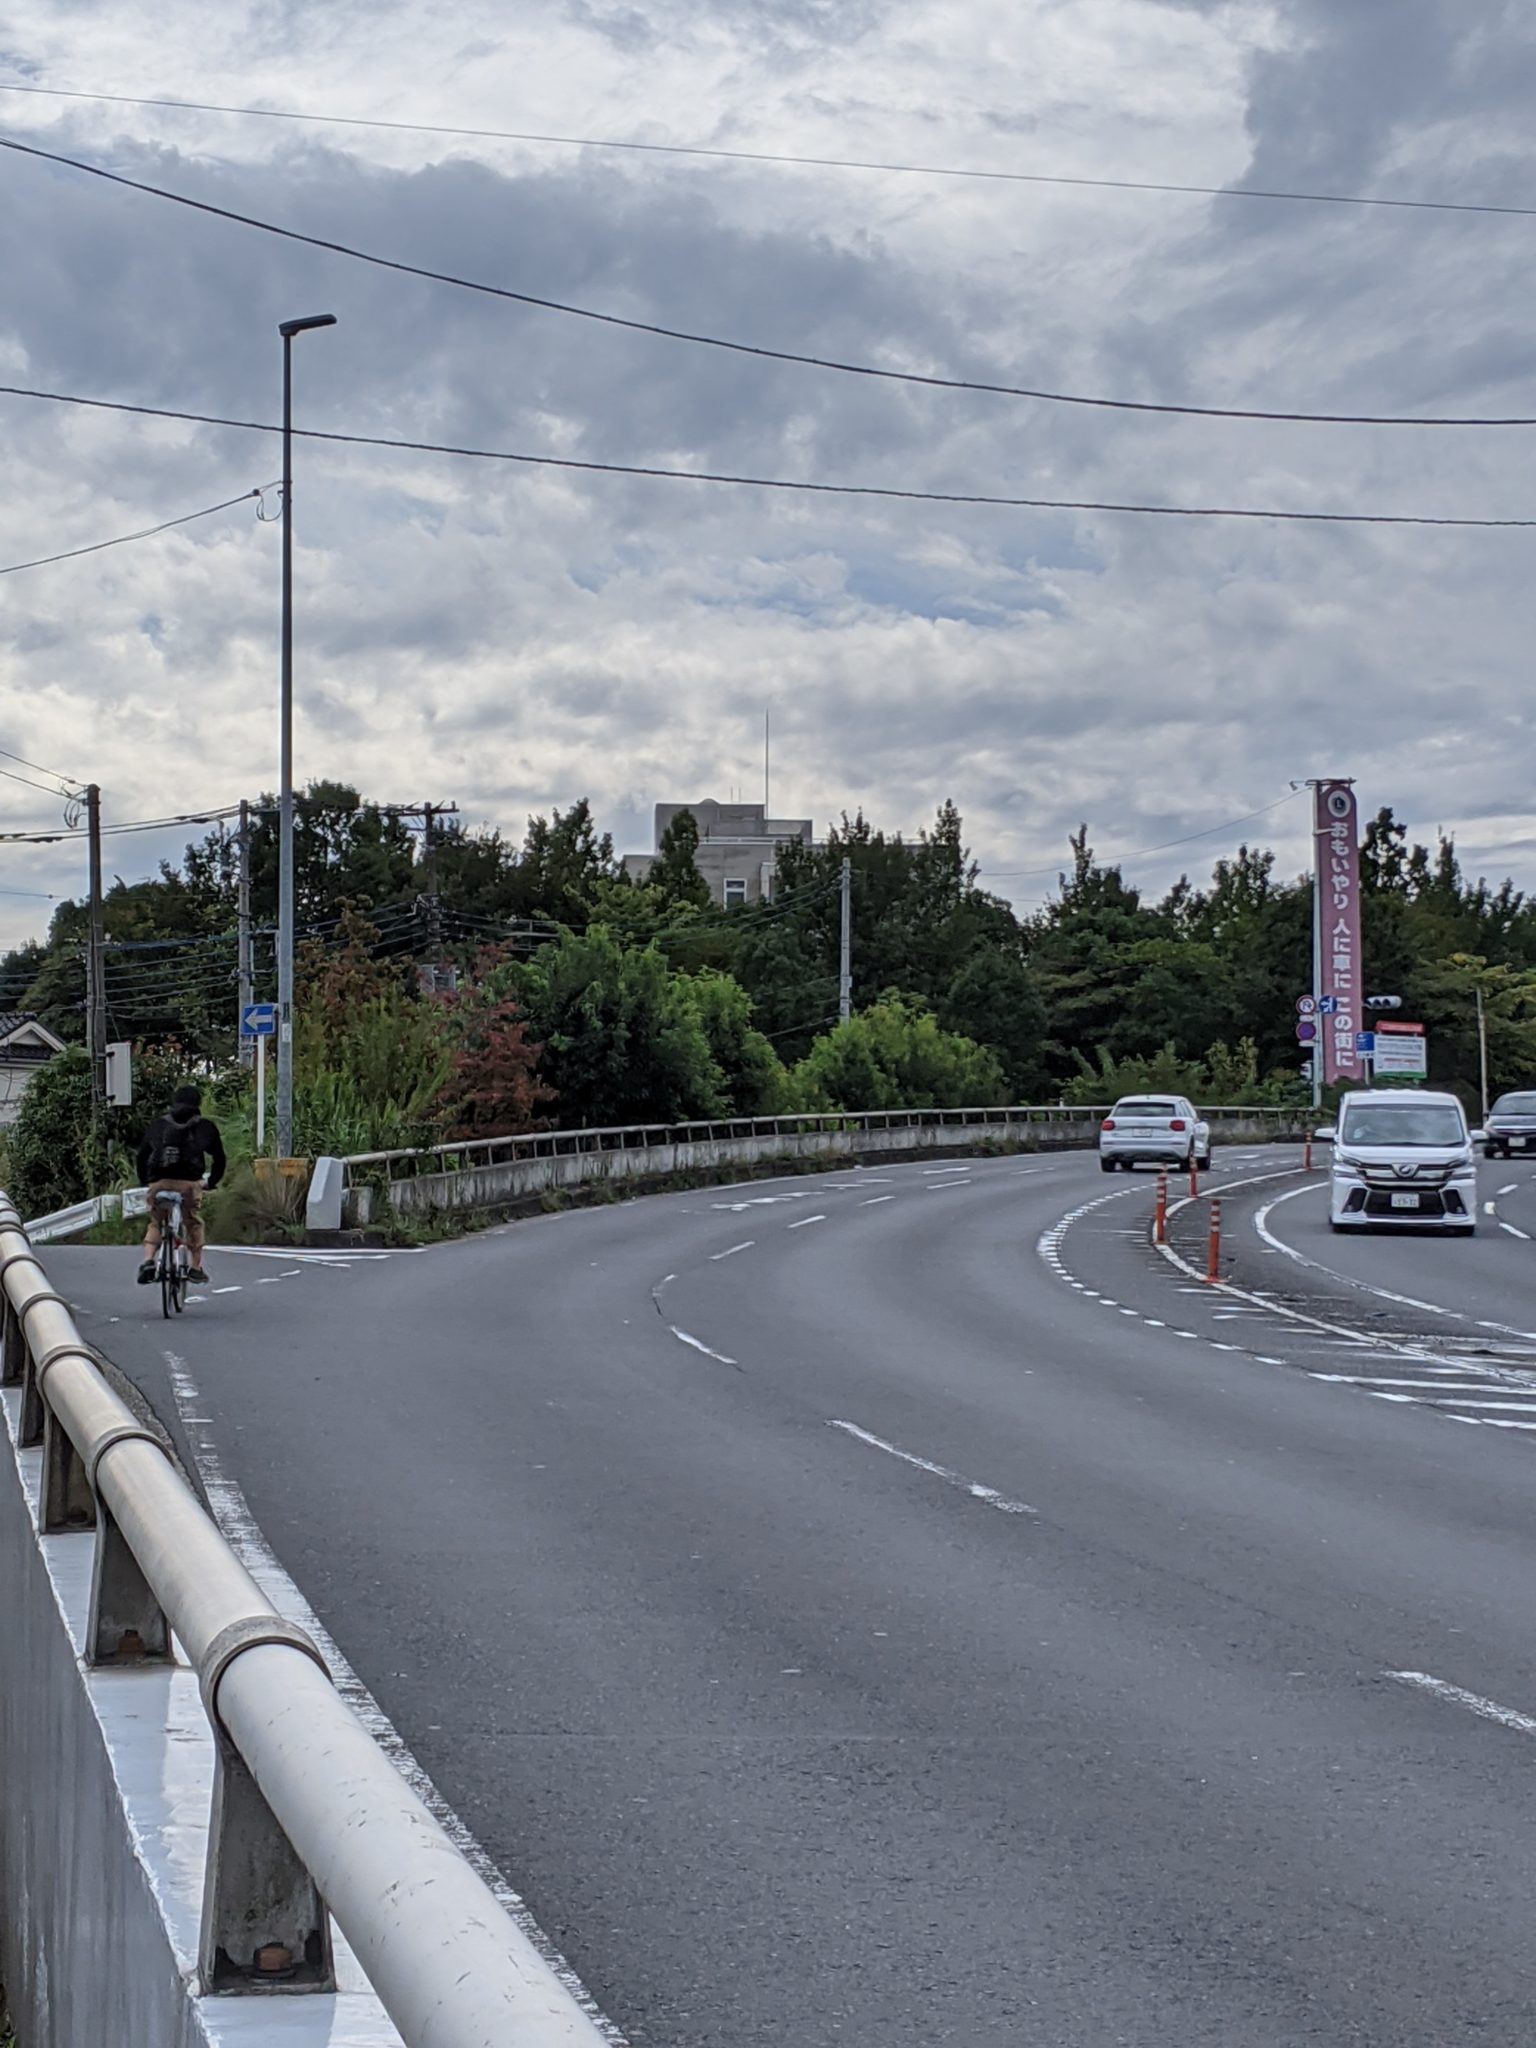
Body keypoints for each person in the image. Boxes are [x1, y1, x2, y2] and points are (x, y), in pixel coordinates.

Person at [135, 1084, 226, 1286]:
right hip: (189, 1185)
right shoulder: (205, 1127)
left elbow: (142, 1156)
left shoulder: (159, 1125)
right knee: (192, 1222)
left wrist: (146, 1182)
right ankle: (195, 1267)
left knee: (156, 1222)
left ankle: (149, 1260)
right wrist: (211, 1182)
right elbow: (219, 1158)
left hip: (159, 1183)